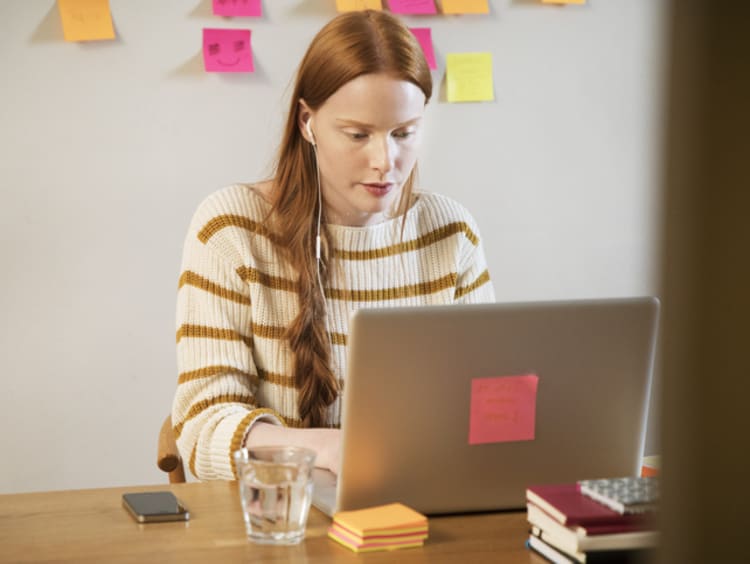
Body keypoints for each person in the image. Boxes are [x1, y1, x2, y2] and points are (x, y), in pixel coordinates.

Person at [172, 9, 495, 481]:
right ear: (308, 122)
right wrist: (321, 447)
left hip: (422, 511)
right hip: (280, 522)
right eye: (358, 134)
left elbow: (486, 404)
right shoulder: (231, 229)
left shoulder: (452, 232)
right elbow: (201, 429)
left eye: (404, 133)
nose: (385, 161)